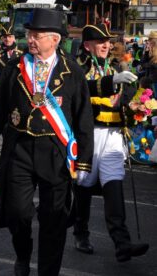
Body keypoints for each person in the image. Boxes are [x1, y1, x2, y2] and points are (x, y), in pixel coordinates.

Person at [0, 8, 94, 276]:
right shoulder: (14, 68)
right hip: (19, 149)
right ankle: (23, 253)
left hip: (56, 153)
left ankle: (47, 272)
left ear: (55, 39)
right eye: (29, 34)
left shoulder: (72, 72)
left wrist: (84, 161)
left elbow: (83, 118)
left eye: (37, 35)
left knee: (54, 219)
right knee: (17, 212)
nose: (30, 39)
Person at [72, 23, 149, 261]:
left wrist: (135, 106)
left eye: (108, 41)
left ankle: (121, 243)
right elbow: (80, 91)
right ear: (87, 45)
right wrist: (111, 83)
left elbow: (127, 94)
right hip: (89, 135)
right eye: (100, 41)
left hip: (114, 137)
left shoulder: (115, 66)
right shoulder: (77, 68)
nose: (106, 45)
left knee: (114, 187)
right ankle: (81, 234)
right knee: (83, 187)